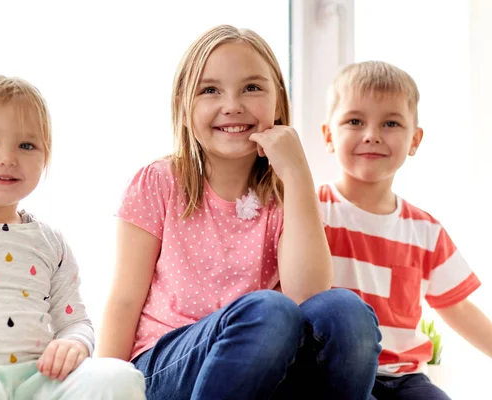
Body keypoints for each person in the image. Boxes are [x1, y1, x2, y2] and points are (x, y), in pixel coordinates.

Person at [97, 25, 382, 400]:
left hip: (263, 367)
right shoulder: (159, 182)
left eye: (251, 88)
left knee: (345, 310)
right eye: (210, 90)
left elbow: (309, 295)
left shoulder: (287, 197)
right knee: (269, 310)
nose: (232, 104)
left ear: (278, 102)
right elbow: (124, 300)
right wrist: (101, 388)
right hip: (167, 366)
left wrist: (296, 174)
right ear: (184, 106)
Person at [0, 75, 146, 399]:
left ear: (45, 157)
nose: (7, 157)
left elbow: (75, 321)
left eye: (27, 145)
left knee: (120, 377)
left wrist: (73, 343)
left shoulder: (49, 242)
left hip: (37, 381)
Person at [319, 60, 492, 399]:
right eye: (355, 121)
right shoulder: (312, 211)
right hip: (334, 374)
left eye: (391, 123)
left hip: (404, 379)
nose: (372, 134)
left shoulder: (426, 231)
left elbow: (457, 308)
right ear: (328, 135)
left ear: (414, 140)